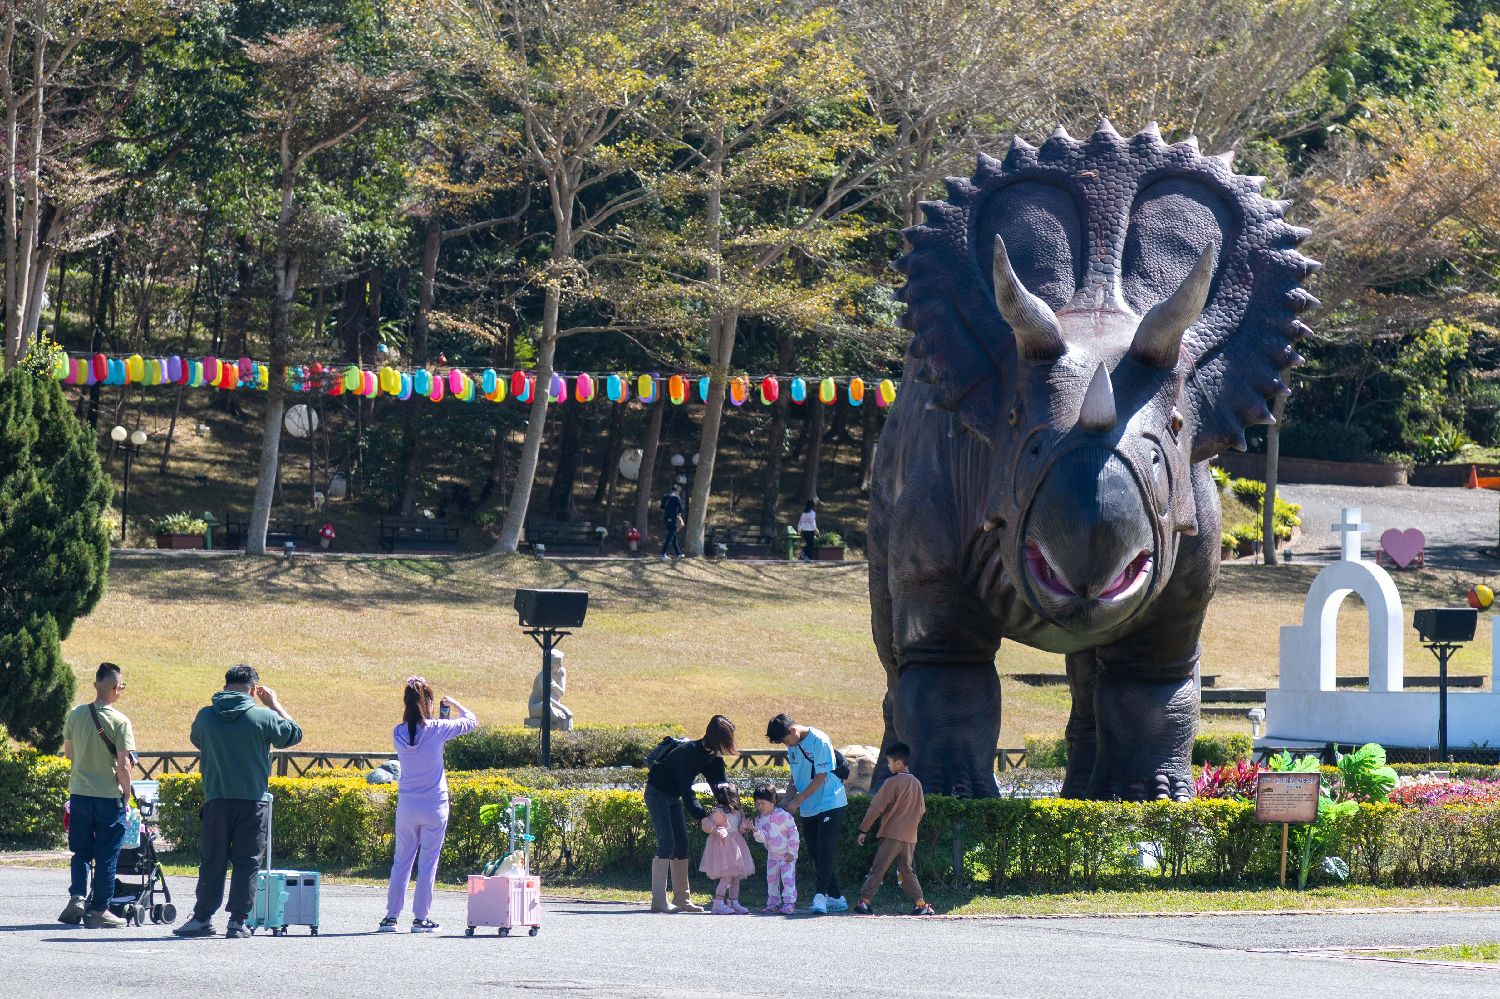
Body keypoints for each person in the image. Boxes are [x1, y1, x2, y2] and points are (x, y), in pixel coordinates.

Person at [174, 665, 303, 939]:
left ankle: (202, 918)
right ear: (254, 690)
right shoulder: (262, 716)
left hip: (216, 798)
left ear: (225, 687)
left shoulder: (206, 716)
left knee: (212, 860)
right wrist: (274, 703)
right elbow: (294, 733)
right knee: (247, 861)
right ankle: (237, 921)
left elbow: (197, 739)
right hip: (252, 801)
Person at [381, 677, 478, 933]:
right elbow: (472, 721)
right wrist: (455, 704)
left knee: (401, 861)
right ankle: (420, 918)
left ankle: (391, 917)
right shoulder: (437, 729)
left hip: (407, 806)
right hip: (435, 805)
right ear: (429, 703)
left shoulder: (397, 732)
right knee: (427, 864)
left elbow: (414, 730)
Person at [59, 663, 136, 928]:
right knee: (106, 856)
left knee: (80, 852)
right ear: (116, 689)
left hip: (79, 794)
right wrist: (126, 795)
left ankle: (78, 897)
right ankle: (100, 910)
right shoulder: (120, 721)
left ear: (95, 685)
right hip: (107, 797)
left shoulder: (76, 714)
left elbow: (68, 754)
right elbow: (125, 766)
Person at [644, 715, 736, 913]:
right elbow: (686, 789)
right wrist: (702, 816)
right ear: (716, 737)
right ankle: (658, 900)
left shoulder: (712, 757)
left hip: (672, 796)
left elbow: (720, 786)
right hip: (657, 792)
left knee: (682, 844)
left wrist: (730, 809)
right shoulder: (690, 751)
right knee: (667, 842)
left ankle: (681, 898)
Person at [767, 711, 847, 914]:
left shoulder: (819, 740)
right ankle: (837, 897)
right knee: (814, 852)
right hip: (809, 806)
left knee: (824, 849)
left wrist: (797, 801)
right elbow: (795, 778)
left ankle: (820, 897)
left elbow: (821, 777)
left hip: (830, 802)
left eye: (786, 740)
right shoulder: (793, 745)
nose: (787, 746)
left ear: (793, 730)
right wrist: (786, 800)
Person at [853, 743, 934, 915]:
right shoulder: (917, 784)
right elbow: (921, 811)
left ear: (898, 763)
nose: (888, 765)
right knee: (906, 870)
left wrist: (863, 829)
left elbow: (876, 807)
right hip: (910, 836)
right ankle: (920, 904)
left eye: (889, 762)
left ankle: (864, 901)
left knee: (879, 867)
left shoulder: (891, 782)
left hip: (891, 834)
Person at [699, 784, 754, 914]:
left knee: (736, 876)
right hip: (724, 847)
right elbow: (708, 826)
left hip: (737, 846)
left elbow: (740, 828)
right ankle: (718, 903)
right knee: (727, 876)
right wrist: (716, 830)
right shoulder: (719, 812)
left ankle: (733, 901)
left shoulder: (738, 812)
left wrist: (745, 826)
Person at [748, 783, 799, 915]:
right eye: (757, 804)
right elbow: (762, 838)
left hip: (787, 855)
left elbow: (793, 832)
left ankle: (789, 903)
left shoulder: (784, 815)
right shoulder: (759, 820)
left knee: (788, 879)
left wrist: (792, 851)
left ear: (773, 800)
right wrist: (755, 830)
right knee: (772, 880)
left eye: (762, 803)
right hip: (772, 856)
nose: (760, 807)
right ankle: (773, 903)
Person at [660, 484, 686, 559]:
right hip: (673, 519)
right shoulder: (676, 498)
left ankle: (678, 553)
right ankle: (662, 554)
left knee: (673, 536)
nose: (679, 492)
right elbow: (680, 509)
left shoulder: (665, 496)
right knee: (669, 537)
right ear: (677, 490)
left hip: (666, 518)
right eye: (679, 491)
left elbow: (662, 507)